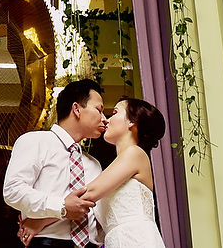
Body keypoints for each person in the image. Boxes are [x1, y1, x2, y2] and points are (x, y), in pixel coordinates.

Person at [4, 79, 107, 247]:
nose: (105, 119)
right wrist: (62, 207)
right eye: (99, 110)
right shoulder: (35, 141)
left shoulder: (94, 164)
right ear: (76, 109)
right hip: (47, 242)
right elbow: (13, 190)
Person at [71, 98, 167, 248]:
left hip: (138, 239)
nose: (106, 120)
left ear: (132, 122)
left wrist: (40, 220)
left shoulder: (135, 153)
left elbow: (88, 193)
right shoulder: (118, 167)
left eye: (114, 113)